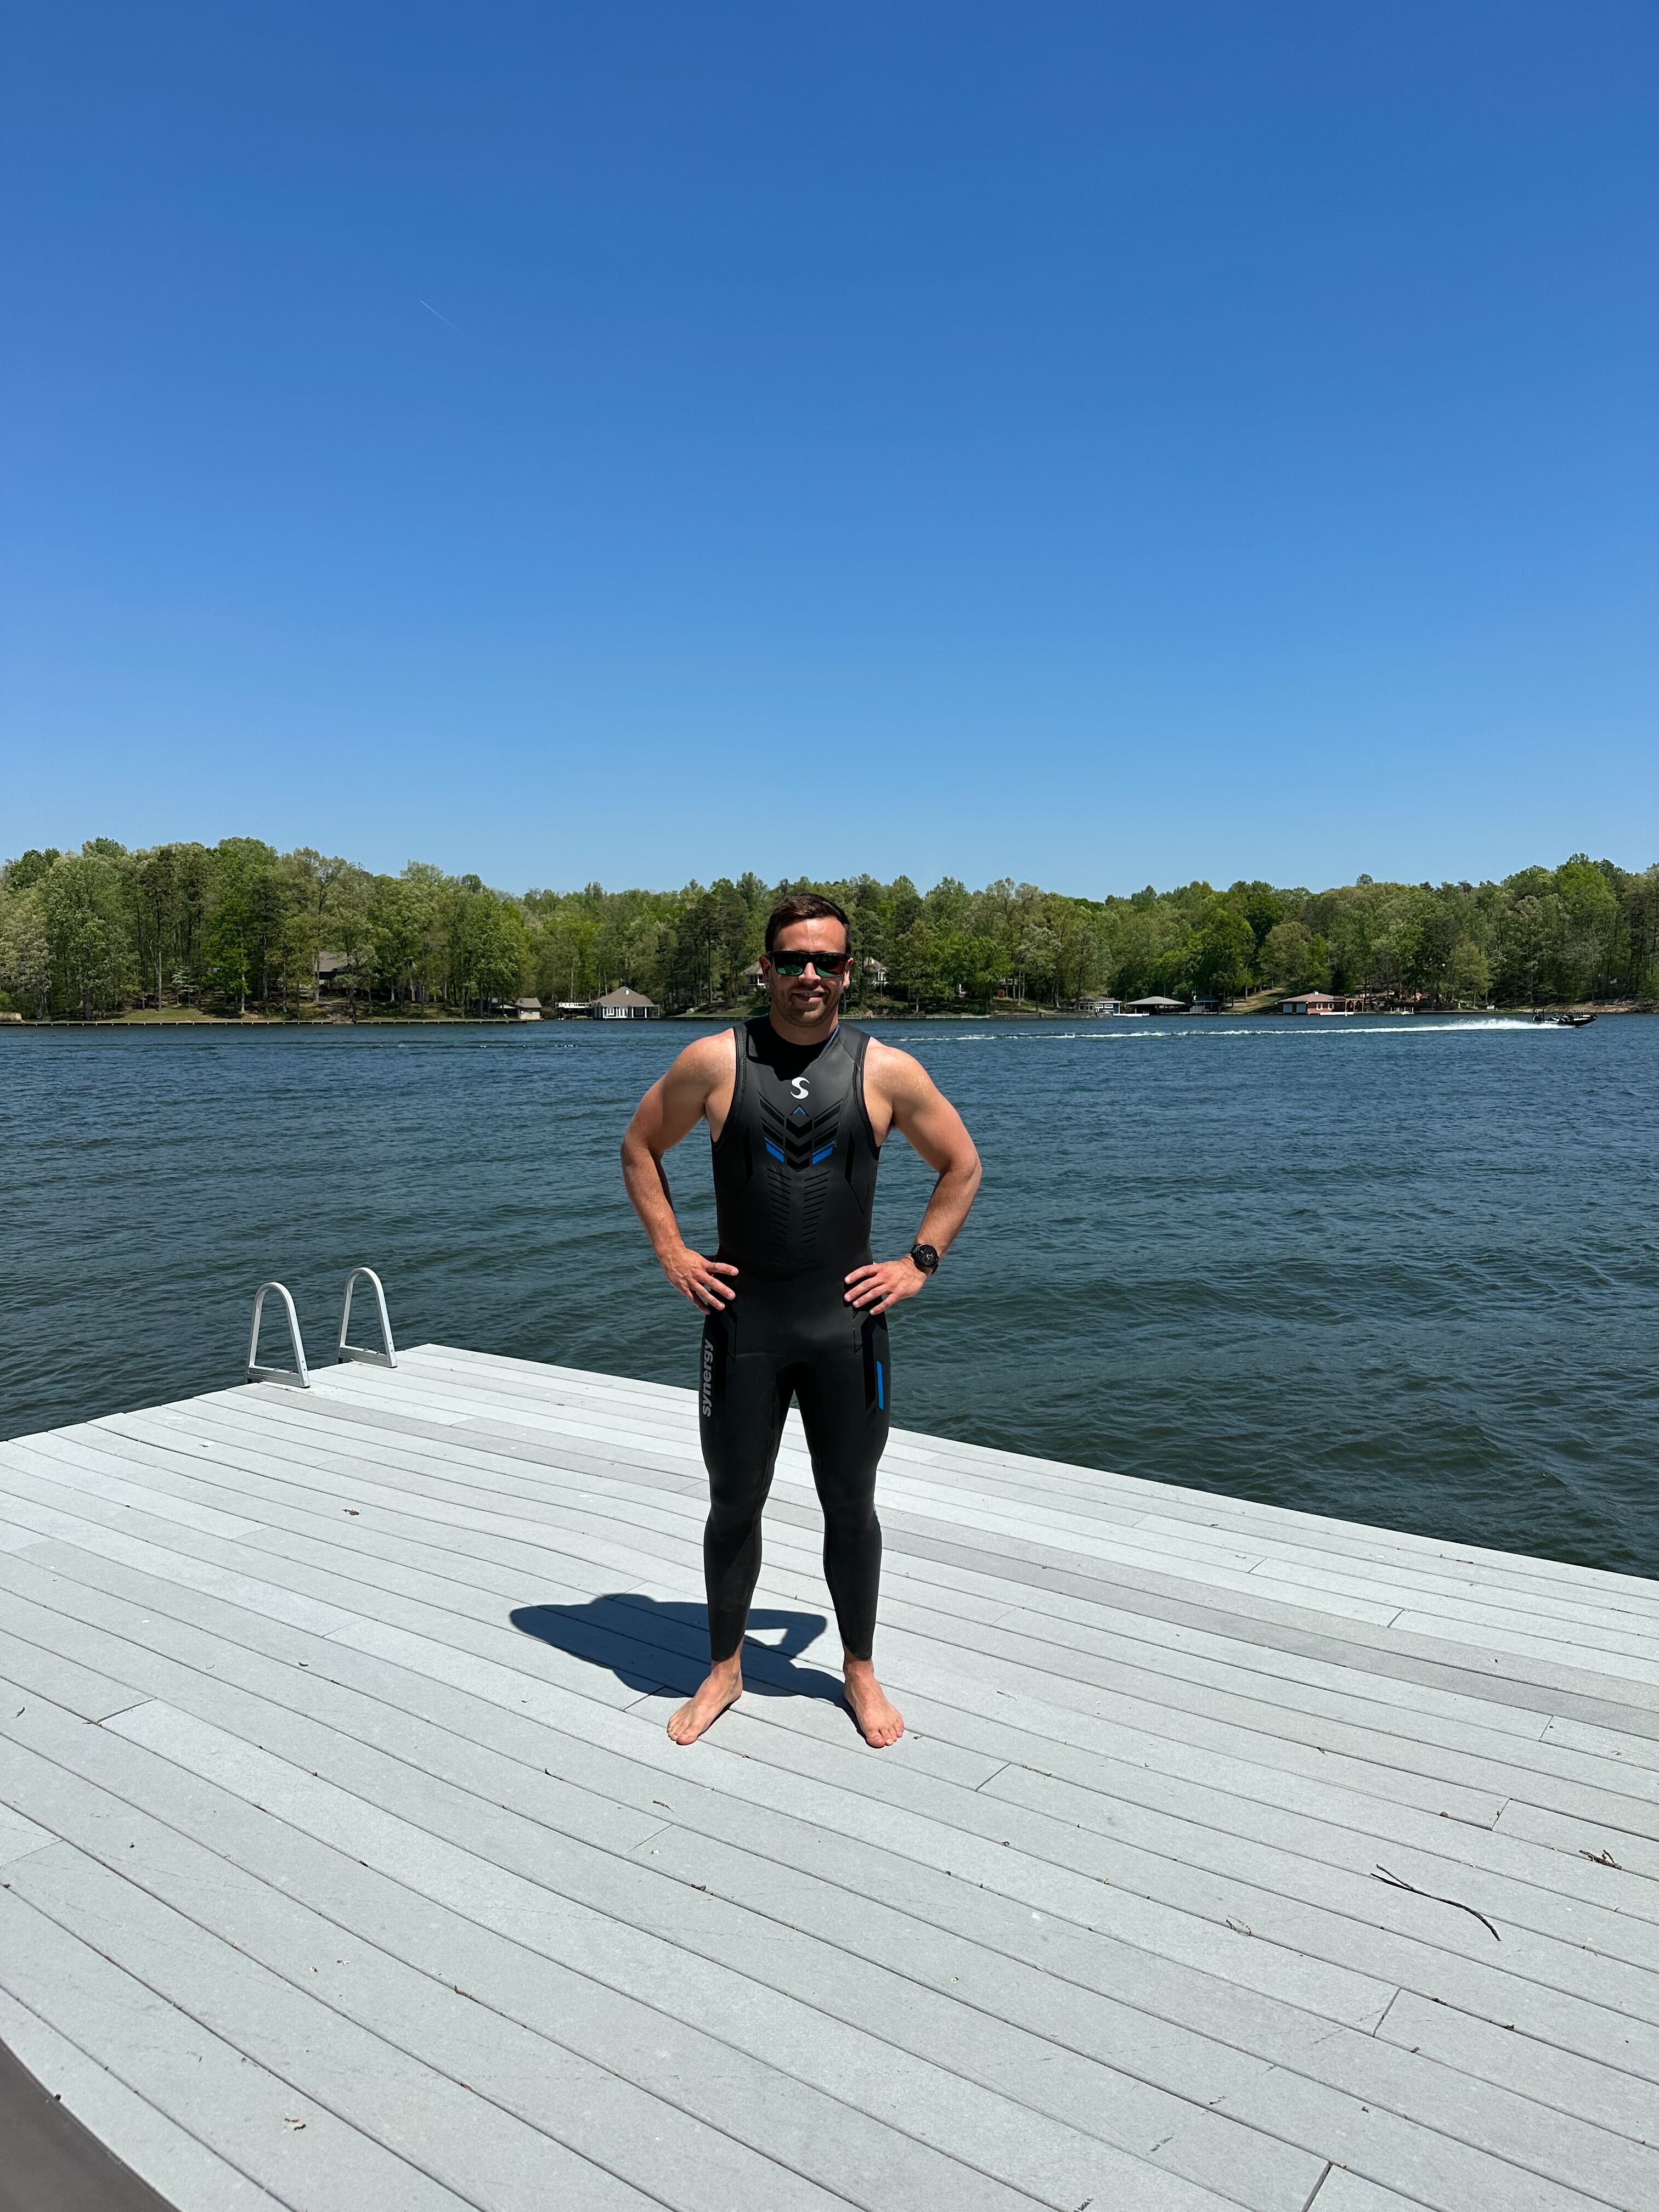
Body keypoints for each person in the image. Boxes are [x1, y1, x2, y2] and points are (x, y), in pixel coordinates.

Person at [620, 893, 982, 1748]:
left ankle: (858, 1671)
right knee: (733, 1502)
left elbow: (961, 1166)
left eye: (826, 961)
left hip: (844, 1333)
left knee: (850, 1506)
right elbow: (639, 1147)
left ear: (849, 971)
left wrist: (917, 1263)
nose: (809, 976)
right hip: (743, 1333)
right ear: (766, 967)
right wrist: (673, 1254)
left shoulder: (887, 1071)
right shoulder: (716, 1061)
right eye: (791, 961)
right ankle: (723, 1670)